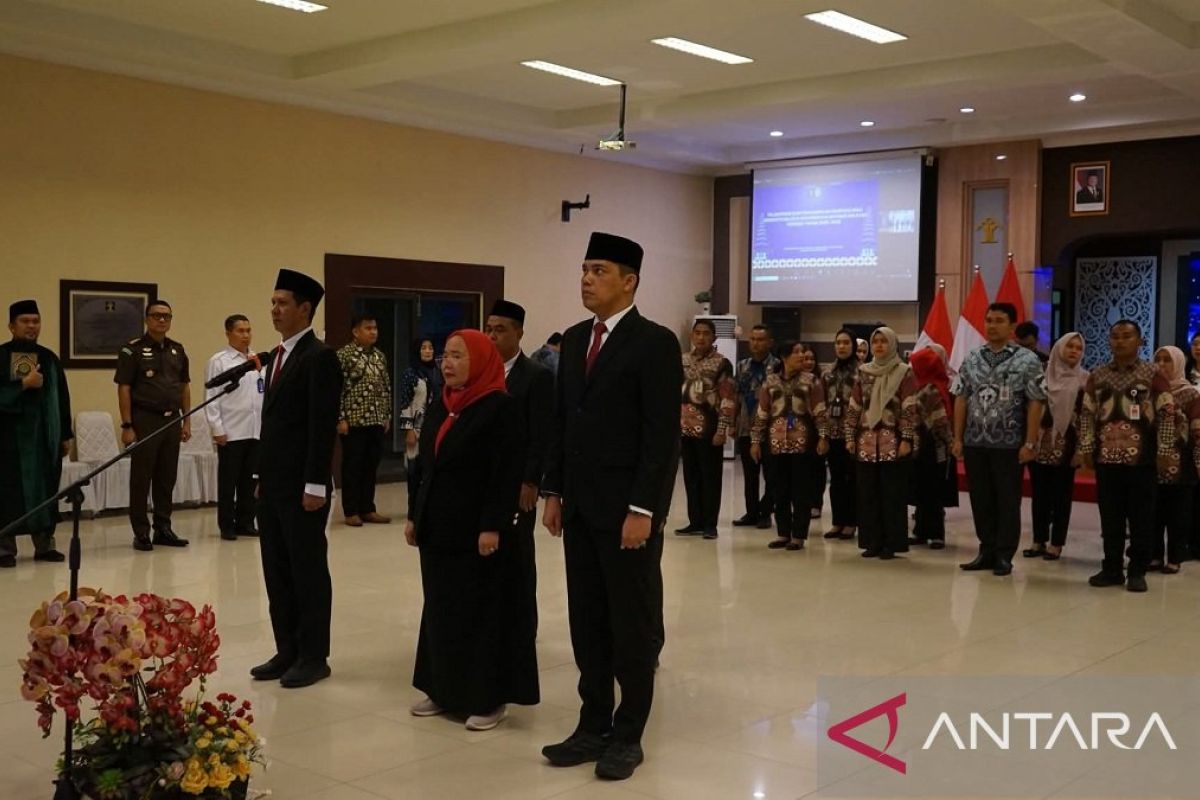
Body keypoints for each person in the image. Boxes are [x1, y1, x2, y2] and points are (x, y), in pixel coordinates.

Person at [541, 232, 681, 782]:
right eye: (583, 269)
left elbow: (659, 436)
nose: (586, 279)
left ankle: (628, 732)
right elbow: (561, 421)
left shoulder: (654, 342)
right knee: (587, 620)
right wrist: (554, 491)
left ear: (630, 281)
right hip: (580, 508)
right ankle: (591, 721)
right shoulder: (575, 339)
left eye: (598, 270)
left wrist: (643, 509)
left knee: (631, 621)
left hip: (627, 512)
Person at [405, 329, 537, 731]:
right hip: (439, 528)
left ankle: (487, 697)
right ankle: (443, 689)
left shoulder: (500, 407)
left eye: (458, 356)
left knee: (481, 613)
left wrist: (492, 526)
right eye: (445, 355)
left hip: (479, 530)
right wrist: (415, 515)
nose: (447, 363)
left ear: (480, 360)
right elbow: (425, 468)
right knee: (442, 608)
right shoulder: (443, 405)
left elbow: (504, 473)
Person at [250, 269, 342, 688]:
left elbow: (320, 427)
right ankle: (286, 648)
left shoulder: (319, 356)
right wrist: (261, 476)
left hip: (303, 487)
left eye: (283, 303)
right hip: (273, 484)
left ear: (305, 309)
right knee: (276, 568)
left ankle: (313, 655)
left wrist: (315, 485)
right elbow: (274, 425)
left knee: (306, 569)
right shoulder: (278, 357)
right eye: (272, 302)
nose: (274, 310)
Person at [1076, 320, 1173, 593]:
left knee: (1142, 517)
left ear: (1139, 341)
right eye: (1115, 337)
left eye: (1127, 336)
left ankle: (1137, 571)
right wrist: (1085, 447)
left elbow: (1167, 414)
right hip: (1106, 460)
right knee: (1110, 517)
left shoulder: (1152, 373)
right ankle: (1112, 568)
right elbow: (1086, 414)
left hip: (1142, 460)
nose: (1120, 341)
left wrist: (1165, 450)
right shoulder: (1098, 375)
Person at [950, 303, 1046, 577]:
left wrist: (1030, 442)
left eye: (999, 320)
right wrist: (957, 437)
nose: (992, 325)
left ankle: (1004, 554)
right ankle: (986, 549)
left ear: (1012, 326)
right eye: (989, 320)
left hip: (1009, 443)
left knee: (1007, 500)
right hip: (975, 442)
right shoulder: (972, 358)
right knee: (981, 499)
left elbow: (1036, 402)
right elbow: (960, 397)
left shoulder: (1026, 360)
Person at [486, 299, 553, 636]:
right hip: (485, 480)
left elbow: (541, 434)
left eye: (500, 330)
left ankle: (523, 625)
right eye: (489, 329)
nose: (493, 336)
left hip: (518, 483)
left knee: (518, 554)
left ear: (519, 333)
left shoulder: (535, 376)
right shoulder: (480, 372)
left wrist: (531, 480)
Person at [115, 300, 191, 551]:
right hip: (145, 419)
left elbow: (184, 387)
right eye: (157, 316)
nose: (162, 320)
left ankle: (163, 528)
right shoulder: (132, 350)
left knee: (166, 477)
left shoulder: (177, 350)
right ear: (147, 319)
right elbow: (124, 388)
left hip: (172, 419)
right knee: (141, 478)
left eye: (166, 316)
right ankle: (141, 531)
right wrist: (127, 425)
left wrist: (186, 419)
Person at [0, 300, 69, 568]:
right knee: (7, 494)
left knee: (46, 492)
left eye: (35, 321)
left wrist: (65, 434)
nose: (31, 326)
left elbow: (62, 399)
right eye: (25, 321)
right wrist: (22, 385)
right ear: (11, 326)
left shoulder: (49, 359)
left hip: (43, 441)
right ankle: (5, 549)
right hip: (8, 442)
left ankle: (45, 545)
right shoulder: (1, 356)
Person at [845, 327, 916, 559]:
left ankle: (891, 543)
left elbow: (909, 408)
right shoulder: (863, 372)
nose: (878, 346)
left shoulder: (904, 372)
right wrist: (849, 437)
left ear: (893, 344)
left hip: (892, 442)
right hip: (865, 442)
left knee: (892, 495)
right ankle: (871, 541)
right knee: (867, 494)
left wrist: (906, 438)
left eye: (884, 341)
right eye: (875, 341)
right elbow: (854, 406)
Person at [750, 340, 828, 551]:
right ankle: (783, 533)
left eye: (803, 352)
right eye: (797, 352)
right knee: (778, 489)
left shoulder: (812, 381)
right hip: (775, 445)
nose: (802, 356)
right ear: (784, 357)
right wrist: (755, 441)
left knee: (801, 490)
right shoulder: (770, 382)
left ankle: (799, 536)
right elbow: (762, 413)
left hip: (804, 445)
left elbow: (820, 411)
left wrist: (823, 437)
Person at [1025, 333, 1087, 560]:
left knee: (1061, 497)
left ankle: (1056, 543)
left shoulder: (1084, 380)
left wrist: (1081, 449)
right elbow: (1030, 410)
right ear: (1059, 348)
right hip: (1040, 443)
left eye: (1078, 348)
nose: (1073, 351)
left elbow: (1085, 418)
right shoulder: (1042, 377)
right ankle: (1038, 540)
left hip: (1067, 446)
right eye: (1069, 346)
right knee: (1039, 495)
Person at [204, 314, 262, 541]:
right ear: (228, 334)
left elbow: (261, 393)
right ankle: (226, 525)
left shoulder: (257, 359)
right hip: (231, 431)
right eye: (240, 331)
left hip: (254, 429)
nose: (246, 335)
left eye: (248, 330)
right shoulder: (219, 361)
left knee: (250, 481)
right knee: (229, 482)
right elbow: (212, 395)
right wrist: (217, 428)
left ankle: (246, 521)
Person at [676, 319, 735, 540]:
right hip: (685, 428)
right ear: (692, 335)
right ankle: (695, 521)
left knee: (710, 477)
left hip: (709, 430)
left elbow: (728, 398)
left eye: (706, 334)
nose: (701, 338)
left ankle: (710, 524)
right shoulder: (682, 361)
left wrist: (722, 429)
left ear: (714, 338)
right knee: (691, 477)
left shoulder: (722, 363)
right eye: (697, 333)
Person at [336, 313, 392, 527]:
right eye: (368, 328)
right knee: (353, 466)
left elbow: (386, 386)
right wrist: (341, 418)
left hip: (376, 420)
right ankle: (351, 511)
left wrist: (386, 414)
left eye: (375, 328)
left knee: (371, 466)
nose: (373, 332)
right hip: (354, 421)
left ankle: (367, 508)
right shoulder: (345, 355)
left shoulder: (379, 356)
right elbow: (337, 389)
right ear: (355, 331)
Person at [1150, 346, 1200, 575]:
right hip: (1152, 460)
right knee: (1153, 511)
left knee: (1178, 513)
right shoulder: (1148, 390)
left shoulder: (1190, 393)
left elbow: (1197, 430)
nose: (1161, 364)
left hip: (1182, 462)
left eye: (1167, 360)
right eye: (1157, 359)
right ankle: (1155, 555)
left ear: (1179, 363)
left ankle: (1175, 556)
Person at [908, 344, 956, 549]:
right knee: (923, 489)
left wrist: (951, 443)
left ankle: (935, 533)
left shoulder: (930, 389)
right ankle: (922, 531)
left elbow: (940, 423)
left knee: (932, 490)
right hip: (927, 445)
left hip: (933, 447)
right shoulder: (936, 384)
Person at [732, 324, 780, 530]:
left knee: (772, 475)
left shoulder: (778, 366)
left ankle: (765, 511)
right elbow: (736, 395)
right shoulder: (742, 366)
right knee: (749, 475)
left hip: (770, 429)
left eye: (760, 339)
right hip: (746, 426)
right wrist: (733, 423)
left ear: (770, 342)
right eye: (752, 339)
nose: (756, 343)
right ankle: (751, 512)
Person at [821, 329, 859, 541]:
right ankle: (837, 521)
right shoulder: (827, 372)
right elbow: (822, 404)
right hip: (833, 433)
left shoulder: (862, 372)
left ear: (853, 345)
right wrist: (823, 435)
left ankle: (851, 522)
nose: (842, 346)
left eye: (846, 342)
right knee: (835, 479)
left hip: (853, 436)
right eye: (838, 343)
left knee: (851, 479)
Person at [398, 338, 442, 502]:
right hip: (416, 429)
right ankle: (414, 506)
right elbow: (404, 403)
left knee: (432, 468)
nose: (428, 351)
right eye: (423, 348)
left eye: (430, 348)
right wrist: (408, 429)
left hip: (435, 427)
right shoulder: (410, 374)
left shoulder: (438, 372)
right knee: (414, 470)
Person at [799, 345, 826, 520]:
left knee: (817, 469)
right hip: (798, 432)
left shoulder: (821, 379)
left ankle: (816, 503)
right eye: (804, 359)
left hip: (818, 430)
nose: (808, 362)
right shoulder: (793, 380)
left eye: (811, 359)